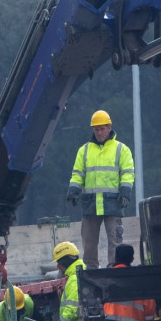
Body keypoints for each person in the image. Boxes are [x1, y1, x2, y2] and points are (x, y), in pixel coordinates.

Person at [66, 110, 134, 269]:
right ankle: (91, 270)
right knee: (89, 243)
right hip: (91, 204)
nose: (99, 132)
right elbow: (77, 173)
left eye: (102, 129)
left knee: (115, 241)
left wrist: (125, 192)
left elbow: (127, 173)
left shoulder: (121, 149)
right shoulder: (84, 150)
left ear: (109, 127)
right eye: (96, 129)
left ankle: (114, 269)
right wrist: (73, 190)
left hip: (113, 203)